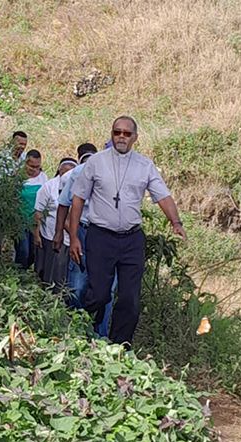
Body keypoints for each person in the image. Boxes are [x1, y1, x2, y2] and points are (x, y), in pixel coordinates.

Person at [69, 116, 185, 347]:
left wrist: (176, 222)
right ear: (111, 134)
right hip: (100, 236)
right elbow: (78, 198)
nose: (121, 137)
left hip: (131, 238)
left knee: (130, 298)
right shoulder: (96, 162)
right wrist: (73, 237)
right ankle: (83, 331)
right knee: (100, 294)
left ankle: (119, 346)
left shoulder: (144, 165)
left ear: (135, 138)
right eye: (117, 132)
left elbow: (162, 195)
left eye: (126, 134)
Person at [53, 143, 116, 337]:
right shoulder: (79, 172)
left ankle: (101, 335)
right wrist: (61, 234)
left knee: (108, 289)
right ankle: (76, 331)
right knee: (78, 284)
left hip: (111, 236)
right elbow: (64, 204)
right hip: (84, 232)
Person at [33, 157, 78, 288]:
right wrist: (36, 234)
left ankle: (64, 293)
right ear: (59, 171)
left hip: (72, 236)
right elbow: (38, 212)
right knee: (50, 267)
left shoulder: (79, 187)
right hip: (51, 234)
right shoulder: (49, 187)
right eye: (65, 173)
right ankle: (49, 291)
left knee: (65, 269)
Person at [15, 149, 48, 269]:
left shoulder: (43, 178)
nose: (34, 169)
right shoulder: (17, 176)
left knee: (34, 251)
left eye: (37, 167)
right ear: (25, 163)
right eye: (32, 166)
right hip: (20, 220)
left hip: (36, 221)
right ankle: (20, 274)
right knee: (23, 250)